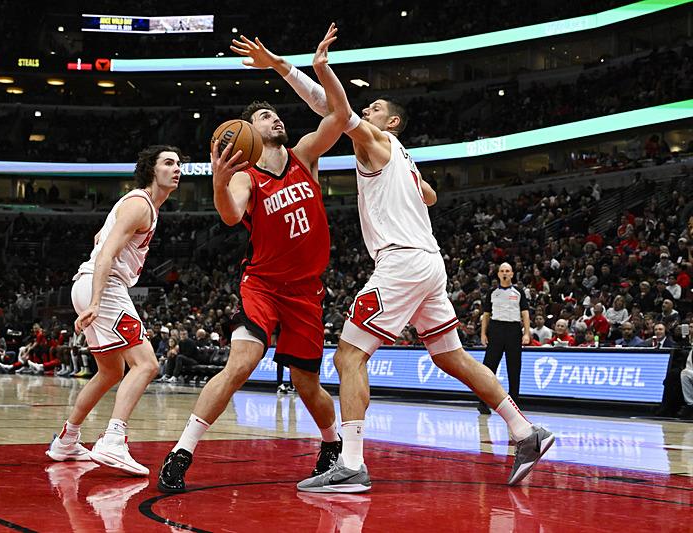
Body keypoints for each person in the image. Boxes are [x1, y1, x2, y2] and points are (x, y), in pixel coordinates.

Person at [232, 25, 553, 493]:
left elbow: (334, 110)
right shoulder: (403, 155)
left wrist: (294, 67)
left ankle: (353, 463)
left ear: (392, 122)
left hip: (401, 262)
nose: (367, 111)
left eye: (375, 109)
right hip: (429, 262)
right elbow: (431, 195)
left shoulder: (377, 142)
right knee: (452, 357)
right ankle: (526, 432)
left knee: (348, 357)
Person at [158, 27, 349, 493]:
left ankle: (332, 445)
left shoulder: (304, 154)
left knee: (308, 386)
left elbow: (341, 115)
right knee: (241, 363)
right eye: (265, 116)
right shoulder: (245, 176)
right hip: (263, 285)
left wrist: (295, 66)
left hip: (307, 290)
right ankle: (181, 452)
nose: (276, 119)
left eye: (276, 114)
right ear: (248, 133)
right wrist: (220, 182)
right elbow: (229, 216)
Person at [45, 145, 181, 476]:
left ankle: (67, 440)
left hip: (90, 283)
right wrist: (95, 301)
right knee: (147, 364)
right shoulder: (140, 205)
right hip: (103, 288)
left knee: (110, 372)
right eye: (168, 163)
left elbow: (98, 238)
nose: (176, 168)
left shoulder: (139, 204)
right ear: (152, 170)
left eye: (178, 163)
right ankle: (113, 439)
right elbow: (105, 253)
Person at [477, 262, 531, 414]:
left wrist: (526, 333)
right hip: (496, 330)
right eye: (502, 271)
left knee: (514, 368)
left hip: (513, 330)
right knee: (488, 368)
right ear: (498, 274)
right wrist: (483, 333)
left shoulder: (519, 292)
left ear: (512, 274)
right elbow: (486, 315)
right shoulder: (492, 293)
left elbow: (525, 313)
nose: (505, 273)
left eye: (508, 271)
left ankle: (514, 403)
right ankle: (482, 402)